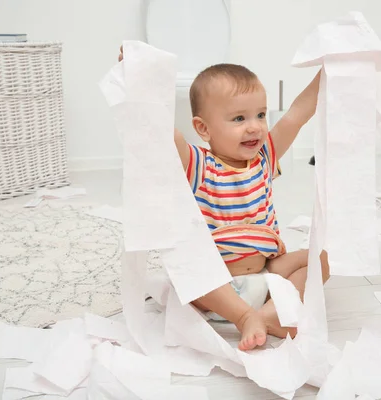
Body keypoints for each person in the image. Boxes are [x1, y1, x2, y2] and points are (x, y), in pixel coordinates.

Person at [118, 47, 330, 351]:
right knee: (186, 277)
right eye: (239, 118)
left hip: (265, 273)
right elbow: (162, 130)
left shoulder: (265, 158)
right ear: (203, 128)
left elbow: (297, 114)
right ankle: (244, 317)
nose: (254, 125)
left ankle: (271, 314)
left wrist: (331, 71)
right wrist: (141, 81)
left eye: (259, 114)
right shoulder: (199, 165)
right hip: (216, 285)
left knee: (321, 259)